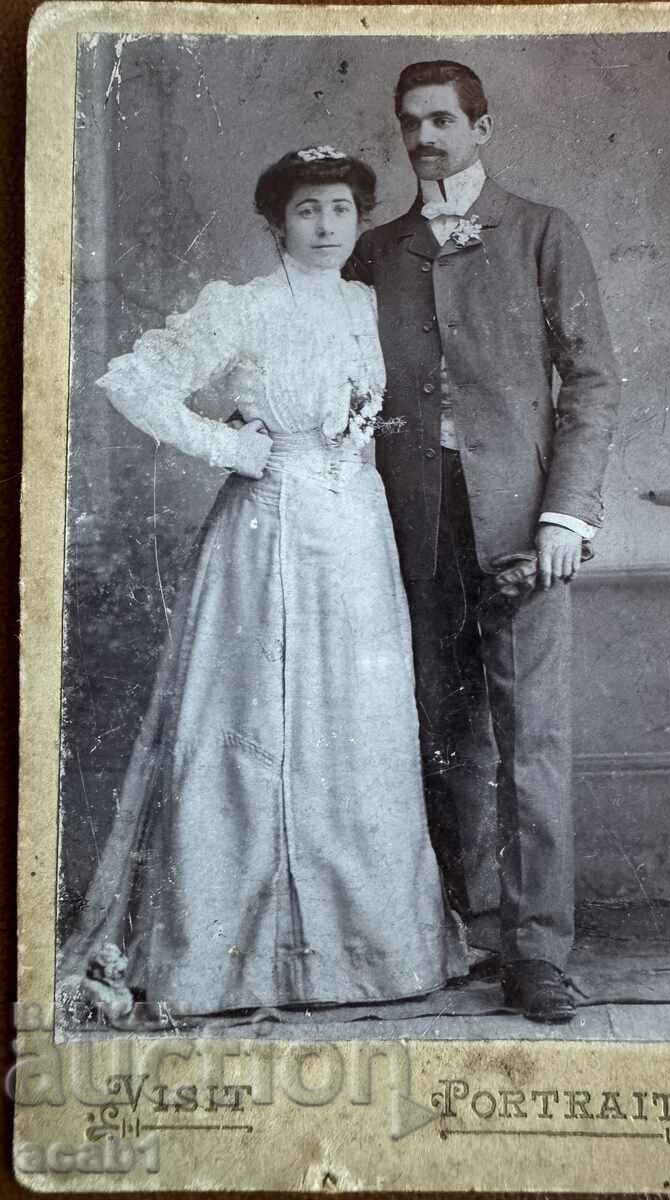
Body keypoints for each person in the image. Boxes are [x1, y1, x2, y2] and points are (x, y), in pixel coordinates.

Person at [58, 147, 468, 1019]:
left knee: (356, 724)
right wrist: (236, 449)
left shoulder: (367, 305)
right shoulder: (239, 309)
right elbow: (134, 381)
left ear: (360, 220)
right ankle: (234, 958)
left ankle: (366, 953)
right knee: (254, 726)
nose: (326, 227)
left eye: (342, 211)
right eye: (308, 211)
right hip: (267, 534)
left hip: (356, 535)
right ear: (276, 223)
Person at [351, 62, 620, 1023]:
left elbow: (591, 382)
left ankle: (538, 955)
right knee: (433, 736)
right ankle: (453, 931)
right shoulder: (376, 249)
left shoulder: (542, 231)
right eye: (410, 123)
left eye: (442, 121)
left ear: (480, 127)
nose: (425, 138)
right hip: (406, 522)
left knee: (531, 742)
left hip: (520, 526)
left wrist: (564, 517)